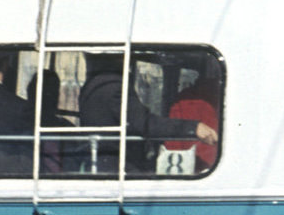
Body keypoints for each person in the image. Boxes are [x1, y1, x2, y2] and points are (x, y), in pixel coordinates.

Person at [78, 53, 217, 174]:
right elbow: (143, 123)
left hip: (105, 161)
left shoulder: (94, 86)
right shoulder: (113, 88)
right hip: (117, 166)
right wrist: (193, 128)